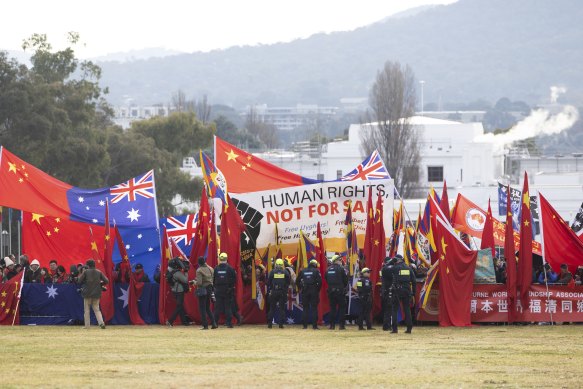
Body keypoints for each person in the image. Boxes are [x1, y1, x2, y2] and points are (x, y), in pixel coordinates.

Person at [77, 259, 109, 329]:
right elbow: (107, 281)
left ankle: (87, 326)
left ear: (88, 265)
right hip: (97, 293)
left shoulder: (86, 272)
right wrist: (100, 284)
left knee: (87, 310)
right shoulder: (99, 272)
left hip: (87, 293)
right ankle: (101, 323)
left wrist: (82, 274)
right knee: (97, 309)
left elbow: (79, 281)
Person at [390, 255, 416, 334]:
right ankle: (409, 328)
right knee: (407, 309)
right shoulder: (409, 268)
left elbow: (385, 270)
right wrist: (413, 293)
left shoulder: (395, 268)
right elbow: (414, 281)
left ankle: (395, 329)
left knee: (394, 309)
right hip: (407, 290)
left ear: (397, 260)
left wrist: (391, 262)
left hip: (397, 290)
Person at [297, 259, 322, 329]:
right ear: (315, 264)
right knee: (314, 308)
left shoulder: (303, 271)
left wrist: (300, 288)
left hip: (305, 291)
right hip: (314, 291)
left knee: (305, 308)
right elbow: (320, 282)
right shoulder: (316, 271)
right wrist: (317, 290)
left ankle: (305, 326)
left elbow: (297, 281)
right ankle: (314, 326)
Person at [213, 252, 236, 328]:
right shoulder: (230, 268)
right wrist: (231, 287)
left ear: (219, 259)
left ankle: (215, 323)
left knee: (217, 307)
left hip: (218, 290)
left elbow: (213, 279)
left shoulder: (216, 268)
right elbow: (234, 279)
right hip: (227, 290)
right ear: (226, 259)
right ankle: (229, 323)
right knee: (228, 307)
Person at [325, 254, 348, 330]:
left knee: (332, 308)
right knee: (342, 308)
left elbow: (326, 279)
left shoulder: (328, 269)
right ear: (335, 261)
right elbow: (345, 280)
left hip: (331, 291)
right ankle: (341, 326)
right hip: (340, 291)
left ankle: (332, 325)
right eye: (340, 260)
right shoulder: (341, 269)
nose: (341, 261)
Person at [194, 256, 217, 330]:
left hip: (203, 290)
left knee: (202, 308)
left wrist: (194, 282)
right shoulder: (210, 268)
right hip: (210, 288)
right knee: (208, 308)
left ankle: (205, 325)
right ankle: (214, 323)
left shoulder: (199, 270)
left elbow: (199, 283)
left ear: (198, 263)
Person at [166, 257, 191, 326]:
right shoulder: (177, 272)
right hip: (179, 291)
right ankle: (170, 321)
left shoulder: (169, 270)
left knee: (180, 306)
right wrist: (186, 272)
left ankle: (184, 322)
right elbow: (185, 280)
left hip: (174, 290)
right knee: (179, 306)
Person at [267, 258, 290, 328]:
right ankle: (281, 324)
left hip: (274, 291)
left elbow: (269, 282)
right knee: (282, 308)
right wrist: (285, 290)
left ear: (276, 264)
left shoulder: (272, 272)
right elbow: (288, 282)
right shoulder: (285, 272)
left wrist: (271, 289)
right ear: (282, 265)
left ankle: (269, 324)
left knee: (272, 308)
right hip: (282, 292)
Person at [381, 257, 396, 331]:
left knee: (388, 309)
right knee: (388, 309)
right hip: (388, 291)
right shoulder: (385, 269)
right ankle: (387, 326)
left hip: (386, 290)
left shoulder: (385, 268)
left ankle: (386, 325)